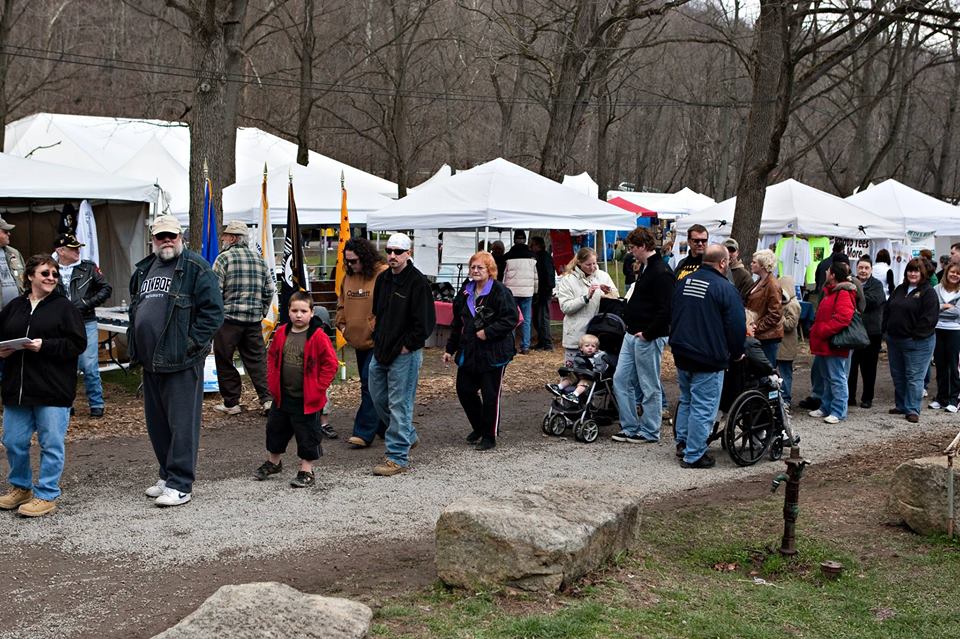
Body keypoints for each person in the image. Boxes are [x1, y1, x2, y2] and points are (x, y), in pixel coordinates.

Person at [129, 215, 224, 507]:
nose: (166, 241)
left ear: (180, 237)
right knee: (157, 424)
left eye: (172, 235)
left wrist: (191, 344)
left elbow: (213, 312)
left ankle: (181, 483)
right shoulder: (144, 269)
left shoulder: (195, 267)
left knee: (182, 424)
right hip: (151, 361)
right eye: (161, 236)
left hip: (181, 360)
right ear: (153, 240)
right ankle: (167, 474)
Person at [0, 255, 85, 517]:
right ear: (29, 277)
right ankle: (21, 488)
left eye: (54, 274)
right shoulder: (15, 306)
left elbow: (77, 343)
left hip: (52, 388)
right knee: (13, 440)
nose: (50, 278)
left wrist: (44, 345)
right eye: (45, 273)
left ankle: (47, 493)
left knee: (51, 443)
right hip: (18, 388)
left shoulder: (64, 307)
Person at [670, 244, 745, 468]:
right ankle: (694, 454)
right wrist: (737, 352)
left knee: (687, 399)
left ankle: (683, 442)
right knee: (704, 405)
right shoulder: (724, 288)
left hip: (682, 351)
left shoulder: (684, 282)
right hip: (708, 355)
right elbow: (736, 325)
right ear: (723, 263)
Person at [253, 291, 338, 487]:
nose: (298, 315)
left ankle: (306, 470)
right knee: (275, 430)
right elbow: (273, 356)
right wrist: (272, 380)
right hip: (283, 395)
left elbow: (330, 364)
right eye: (294, 311)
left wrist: (319, 387)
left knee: (307, 434)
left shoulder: (318, 336)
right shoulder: (282, 332)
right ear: (288, 312)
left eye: (303, 311)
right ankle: (274, 462)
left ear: (311, 312)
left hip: (308, 398)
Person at [368, 233, 436, 476]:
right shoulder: (384, 278)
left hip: (405, 352)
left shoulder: (418, 282)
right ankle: (407, 435)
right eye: (389, 251)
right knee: (377, 397)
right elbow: (378, 311)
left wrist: (409, 345)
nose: (392, 256)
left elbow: (426, 322)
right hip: (382, 348)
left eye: (398, 251)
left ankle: (397, 456)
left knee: (400, 403)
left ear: (409, 253)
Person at [443, 251, 518, 451]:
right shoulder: (466, 291)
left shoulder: (500, 292)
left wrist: (488, 332)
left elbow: (511, 319)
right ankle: (479, 426)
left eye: (480, 267)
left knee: (490, 394)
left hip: (494, 352)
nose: (475, 271)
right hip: (470, 349)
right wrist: (450, 348)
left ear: (490, 270)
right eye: (473, 267)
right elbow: (458, 322)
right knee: (464, 389)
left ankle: (489, 435)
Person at [611, 228, 673, 444]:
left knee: (648, 384)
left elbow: (666, 309)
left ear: (643, 247)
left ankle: (650, 430)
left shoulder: (661, 272)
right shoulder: (646, 268)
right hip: (632, 332)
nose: (631, 252)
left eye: (633, 248)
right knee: (620, 379)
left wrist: (649, 333)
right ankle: (629, 426)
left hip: (647, 336)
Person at [211, 220, 275, 416]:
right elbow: (270, 290)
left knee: (224, 360)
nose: (223, 239)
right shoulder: (259, 259)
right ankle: (268, 400)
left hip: (228, 321)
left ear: (232, 238)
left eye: (225, 235)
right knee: (257, 360)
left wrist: (217, 315)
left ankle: (232, 403)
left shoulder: (223, 259)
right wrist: (261, 312)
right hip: (253, 321)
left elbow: (215, 291)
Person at [337, 237, 389, 449]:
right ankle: (386, 425)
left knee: (370, 384)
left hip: (377, 341)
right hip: (356, 340)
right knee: (369, 385)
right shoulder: (348, 277)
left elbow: (389, 305)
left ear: (365, 258)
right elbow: (341, 304)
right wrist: (342, 325)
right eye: (347, 261)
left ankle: (363, 432)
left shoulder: (383, 274)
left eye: (355, 261)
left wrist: (378, 329)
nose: (351, 265)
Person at [53, 233, 112, 418]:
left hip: (85, 320)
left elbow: (106, 288)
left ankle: (96, 403)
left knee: (89, 364)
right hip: (60, 324)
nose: (77, 250)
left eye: (78, 247)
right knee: (64, 364)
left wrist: (87, 303)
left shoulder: (88, 267)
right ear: (60, 251)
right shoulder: (48, 268)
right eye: (73, 248)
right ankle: (66, 404)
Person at [884, 258, 938, 423]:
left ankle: (913, 409)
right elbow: (888, 309)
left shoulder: (928, 292)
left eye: (916, 271)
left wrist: (914, 335)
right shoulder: (900, 289)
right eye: (910, 270)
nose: (912, 274)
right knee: (898, 375)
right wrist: (886, 330)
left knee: (914, 376)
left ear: (922, 273)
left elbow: (929, 319)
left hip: (917, 343)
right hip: (895, 340)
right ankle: (901, 405)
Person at [807, 262, 857, 424]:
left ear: (833, 275)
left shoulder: (842, 293)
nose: (826, 272)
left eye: (828, 270)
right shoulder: (831, 292)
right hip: (825, 343)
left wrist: (822, 330)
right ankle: (826, 406)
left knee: (836, 377)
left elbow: (843, 318)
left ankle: (838, 410)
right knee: (827, 376)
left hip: (834, 343)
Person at [556, 247, 619, 366]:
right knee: (574, 370)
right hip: (576, 333)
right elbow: (565, 307)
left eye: (594, 263)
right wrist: (585, 298)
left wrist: (608, 292)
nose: (592, 267)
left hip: (599, 333)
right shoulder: (568, 280)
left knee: (597, 370)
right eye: (588, 264)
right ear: (579, 262)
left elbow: (616, 298)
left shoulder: (603, 276)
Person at [848, 257, 885, 409]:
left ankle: (867, 398)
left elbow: (873, 301)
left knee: (869, 368)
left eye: (866, 268)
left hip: (872, 332)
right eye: (861, 267)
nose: (863, 271)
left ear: (871, 270)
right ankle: (850, 397)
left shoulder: (876, 285)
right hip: (853, 331)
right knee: (851, 366)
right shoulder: (850, 282)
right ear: (856, 268)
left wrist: (855, 296)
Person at [744, 248, 784, 366]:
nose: (751, 264)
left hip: (767, 337)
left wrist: (756, 327)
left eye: (754, 262)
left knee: (766, 371)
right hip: (760, 334)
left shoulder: (772, 285)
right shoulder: (760, 281)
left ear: (763, 265)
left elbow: (775, 314)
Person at [501, 230, 538, 354]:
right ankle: (525, 346)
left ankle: (511, 345)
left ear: (514, 240)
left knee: (511, 318)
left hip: (511, 292)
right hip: (527, 292)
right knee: (526, 319)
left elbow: (503, 275)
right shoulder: (533, 256)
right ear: (525, 239)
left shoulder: (507, 256)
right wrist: (535, 290)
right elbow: (535, 276)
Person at [930, 263, 960, 412]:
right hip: (938, 329)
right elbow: (932, 308)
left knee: (953, 366)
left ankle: (954, 400)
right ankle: (941, 398)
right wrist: (945, 306)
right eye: (952, 272)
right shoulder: (936, 289)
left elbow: (958, 313)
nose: (954, 275)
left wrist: (940, 307)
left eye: (958, 273)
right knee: (940, 365)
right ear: (946, 273)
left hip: (955, 330)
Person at [548, 333, 609, 405]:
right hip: (579, 375)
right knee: (571, 377)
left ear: (596, 349)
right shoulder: (579, 357)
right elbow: (576, 367)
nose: (590, 348)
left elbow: (599, 370)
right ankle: (559, 387)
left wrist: (591, 372)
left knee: (584, 382)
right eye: (587, 346)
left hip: (591, 379)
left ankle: (574, 395)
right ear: (581, 348)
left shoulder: (598, 358)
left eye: (593, 346)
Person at [775, 276, 801, 407]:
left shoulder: (793, 305)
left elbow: (790, 324)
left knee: (785, 374)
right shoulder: (782, 303)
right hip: (779, 346)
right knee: (777, 373)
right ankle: (777, 397)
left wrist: (778, 316)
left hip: (786, 347)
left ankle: (786, 399)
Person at [530, 236, 556, 351]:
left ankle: (547, 343)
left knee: (542, 317)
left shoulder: (544, 257)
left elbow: (548, 275)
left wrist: (547, 289)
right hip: (540, 291)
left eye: (533, 245)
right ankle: (542, 341)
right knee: (537, 317)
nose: (531, 247)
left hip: (543, 291)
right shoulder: (540, 257)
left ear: (538, 245)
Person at [0, 216, 24, 310]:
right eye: (5, 231)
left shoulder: (14, 253)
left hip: (16, 312)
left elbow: (26, 279)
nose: (9, 234)